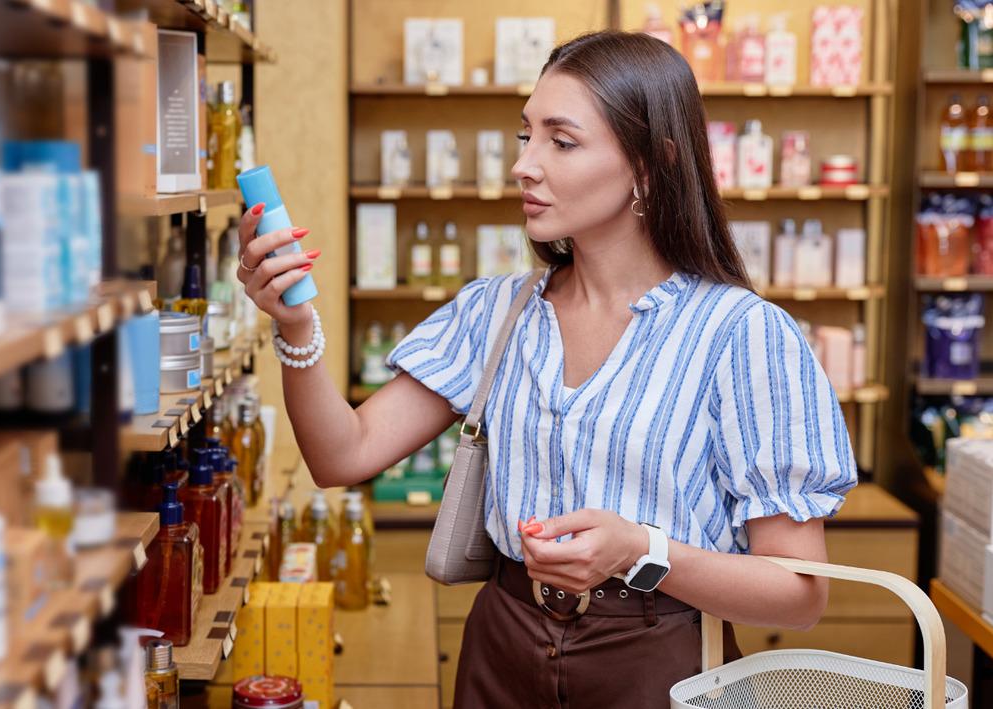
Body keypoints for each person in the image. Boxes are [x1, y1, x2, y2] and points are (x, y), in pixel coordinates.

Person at [236, 30, 857, 709]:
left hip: (658, 665)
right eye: (524, 136)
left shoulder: (742, 335)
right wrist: (295, 325)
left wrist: (639, 549)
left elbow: (801, 593)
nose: (524, 166)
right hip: (501, 648)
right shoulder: (496, 312)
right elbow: (341, 454)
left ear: (650, 165)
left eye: (561, 141)